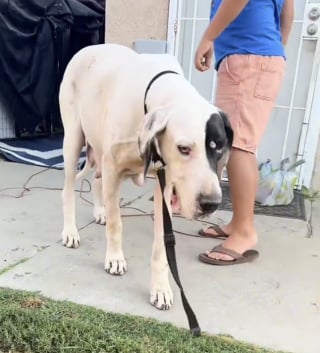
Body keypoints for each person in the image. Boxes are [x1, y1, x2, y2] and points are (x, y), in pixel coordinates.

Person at [194, 0, 294, 265]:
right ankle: (237, 224)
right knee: (237, 144)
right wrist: (271, 50)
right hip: (255, 56)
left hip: (248, 58)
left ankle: (244, 232)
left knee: (238, 147)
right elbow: (287, 12)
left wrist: (208, 37)